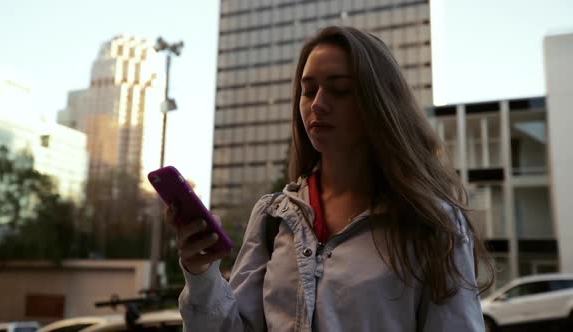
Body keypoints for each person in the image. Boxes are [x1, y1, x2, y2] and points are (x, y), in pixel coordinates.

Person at [167, 26, 494, 331]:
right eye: (308, 91)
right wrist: (202, 273)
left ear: (379, 103)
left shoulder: (431, 222)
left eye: (340, 90)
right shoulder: (272, 217)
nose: (318, 104)